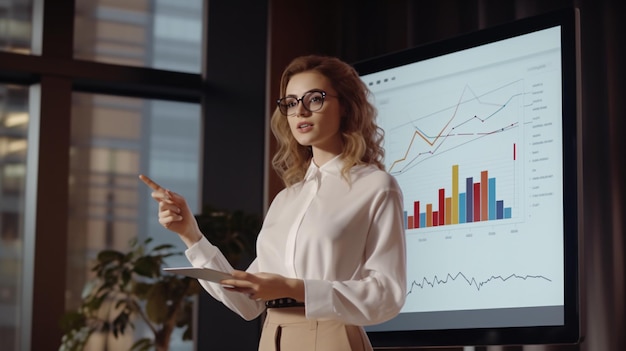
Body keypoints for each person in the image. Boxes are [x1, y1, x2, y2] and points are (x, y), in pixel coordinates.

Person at [139, 54, 406, 351]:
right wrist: (190, 234)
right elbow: (247, 303)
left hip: (332, 336)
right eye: (291, 103)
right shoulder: (286, 199)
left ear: (345, 105)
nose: (301, 111)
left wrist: (295, 288)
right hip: (272, 335)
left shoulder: (375, 186)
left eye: (314, 99)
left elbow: (387, 295)